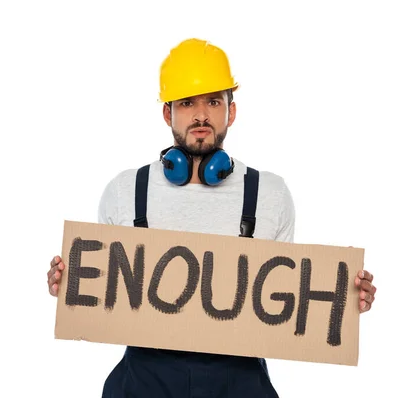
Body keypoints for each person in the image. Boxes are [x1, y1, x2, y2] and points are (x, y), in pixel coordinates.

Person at [46, 38, 377, 398]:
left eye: (213, 101)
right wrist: (72, 287)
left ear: (231, 112)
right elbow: (107, 300)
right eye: (187, 102)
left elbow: (284, 304)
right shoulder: (125, 191)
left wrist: (343, 296)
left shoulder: (271, 194)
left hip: (240, 382)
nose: (200, 116)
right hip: (144, 382)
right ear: (167, 113)